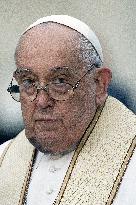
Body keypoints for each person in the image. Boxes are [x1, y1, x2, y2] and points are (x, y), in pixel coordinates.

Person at [0, 15, 136, 205]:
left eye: (60, 81)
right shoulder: (3, 160)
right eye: (28, 82)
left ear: (99, 84)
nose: (41, 101)